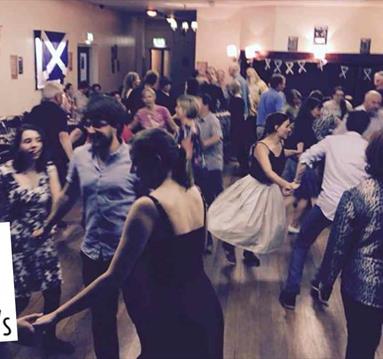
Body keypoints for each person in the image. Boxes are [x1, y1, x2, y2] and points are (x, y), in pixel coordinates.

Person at [33, 128, 224, 359]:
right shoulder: (195, 192)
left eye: (137, 163)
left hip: (169, 314)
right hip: (204, 304)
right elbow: (198, 250)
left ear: (156, 161)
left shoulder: (147, 206)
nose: (133, 171)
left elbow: (113, 277)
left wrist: (57, 314)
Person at [33, 96, 139, 359]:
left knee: (142, 314)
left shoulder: (135, 158)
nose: (90, 130)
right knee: (102, 319)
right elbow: (69, 194)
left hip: (129, 254)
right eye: (88, 124)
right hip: (93, 252)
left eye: (99, 125)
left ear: (116, 125)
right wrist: (48, 225)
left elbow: (149, 201)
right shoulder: (80, 156)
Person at [279, 110, 371, 310]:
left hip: (326, 205)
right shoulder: (367, 149)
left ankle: (290, 292)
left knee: (302, 243)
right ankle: (321, 286)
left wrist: (296, 181)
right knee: (335, 250)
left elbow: (305, 158)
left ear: (347, 124)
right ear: (364, 128)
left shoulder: (332, 141)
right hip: (351, 211)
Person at [0, 124, 73, 355]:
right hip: (13, 240)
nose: (34, 146)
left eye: (38, 140)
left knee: (53, 290)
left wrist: (51, 224)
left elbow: (58, 198)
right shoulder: (5, 172)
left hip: (41, 238)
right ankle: (4, 335)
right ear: (18, 145)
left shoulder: (48, 168)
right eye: (28, 141)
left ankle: (49, 338)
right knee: (14, 297)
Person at [316, 130, 383, 359]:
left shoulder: (356, 196)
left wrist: (326, 281)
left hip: (361, 286)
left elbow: (338, 246)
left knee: (360, 345)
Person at [208, 112, 299, 265]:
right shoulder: (260, 147)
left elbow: (280, 155)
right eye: (287, 126)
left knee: (260, 224)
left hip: (269, 190)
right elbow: (268, 171)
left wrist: (295, 153)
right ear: (277, 127)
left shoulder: (280, 144)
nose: (290, 129)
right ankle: (229, 243)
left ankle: (248, 253)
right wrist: (285, 184)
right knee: (247, 222)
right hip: (255, 188)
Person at [287, 97, 323, 234]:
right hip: (303, 166)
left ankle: (292, 224)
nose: (320, 112)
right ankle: (294, 224)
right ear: (311, 109)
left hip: (298, 165)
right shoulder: (305, 125)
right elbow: (300, 149)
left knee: (298, 197)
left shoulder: (301, 122)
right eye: (318, 109)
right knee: (304, 197)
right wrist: (299, 174)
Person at [197, 93, 224, 253]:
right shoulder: (196, 121)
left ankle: (223, 234)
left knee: (215, 200)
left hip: (213, 165)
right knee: (206, 200)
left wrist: (202, 145)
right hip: (202, 165)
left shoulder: (212, 120)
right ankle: (208, 237)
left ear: (205, 104)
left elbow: (217, 137)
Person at [176, 95, 206, 188]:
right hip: (199, 166)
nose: (175, 109)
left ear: (185, 110)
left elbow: (187, 153)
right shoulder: (195, 125)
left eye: (178, 107)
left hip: (189, 171)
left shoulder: (186, 130)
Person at [257, 74, 286, 140]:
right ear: (279, 85)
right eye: (283, 84)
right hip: (270, 129)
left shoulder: (263, 94)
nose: (284, 86)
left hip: (259, 127)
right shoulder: (279, 96)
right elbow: (280, 114)